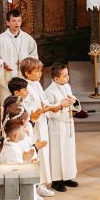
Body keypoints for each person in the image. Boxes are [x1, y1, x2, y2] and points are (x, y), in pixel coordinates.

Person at [21, 57, 57, 197]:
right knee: (35, 153)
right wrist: (45, 109)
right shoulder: (25, 88)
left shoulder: (37, 84)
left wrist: (51, 107)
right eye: (37, 71)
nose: (40, 73)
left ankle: (40, 183)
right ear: (27, 73)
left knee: (43, 153)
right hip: (33, 125)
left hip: (42, 123)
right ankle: (34, 185)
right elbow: (28, 108)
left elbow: (43, 100)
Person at [44, 63, 79, 192]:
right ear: (56, 78)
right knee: (57, 152)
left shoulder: (67, 86)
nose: (68, 77)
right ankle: (56, 181)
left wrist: (73, 101)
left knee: (68, 150)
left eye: (67, 74)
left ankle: (67, 177)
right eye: (64, 76)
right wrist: (61, 104)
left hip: (68, 124)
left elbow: (70, 101)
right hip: (57, 127)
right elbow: (48, 111)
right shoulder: (49, 91)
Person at [0, 9, 38, 104]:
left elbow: (34, 56)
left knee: (25, 103)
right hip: (8, 77)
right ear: (7, 23)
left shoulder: (28, 39)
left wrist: (28, 64)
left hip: (23, 77)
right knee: (9, 104)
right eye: (13, 21)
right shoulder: (1, 39)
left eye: (19, 21)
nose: (17, 23)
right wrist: (2, 64)